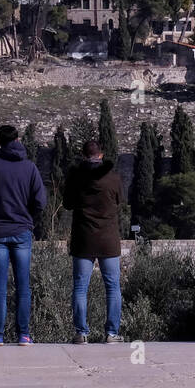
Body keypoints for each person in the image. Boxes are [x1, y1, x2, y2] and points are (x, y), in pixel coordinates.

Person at [0, 124, 46, 346]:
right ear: (18, 139)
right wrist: (28, 220)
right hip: (22, 230)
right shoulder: (30, 167)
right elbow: (40, 201)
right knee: (23, 285)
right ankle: (24, 335)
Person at [65, 139, 123, 343]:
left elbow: (67, 204)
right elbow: (119, 202)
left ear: (83, 156)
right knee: (113, 286)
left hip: (83, 238)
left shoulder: (76, 178)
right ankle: (112, 333)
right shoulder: (113, 178)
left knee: (81, 287)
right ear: (101, 155)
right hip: (108, 238)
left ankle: (81, 333)